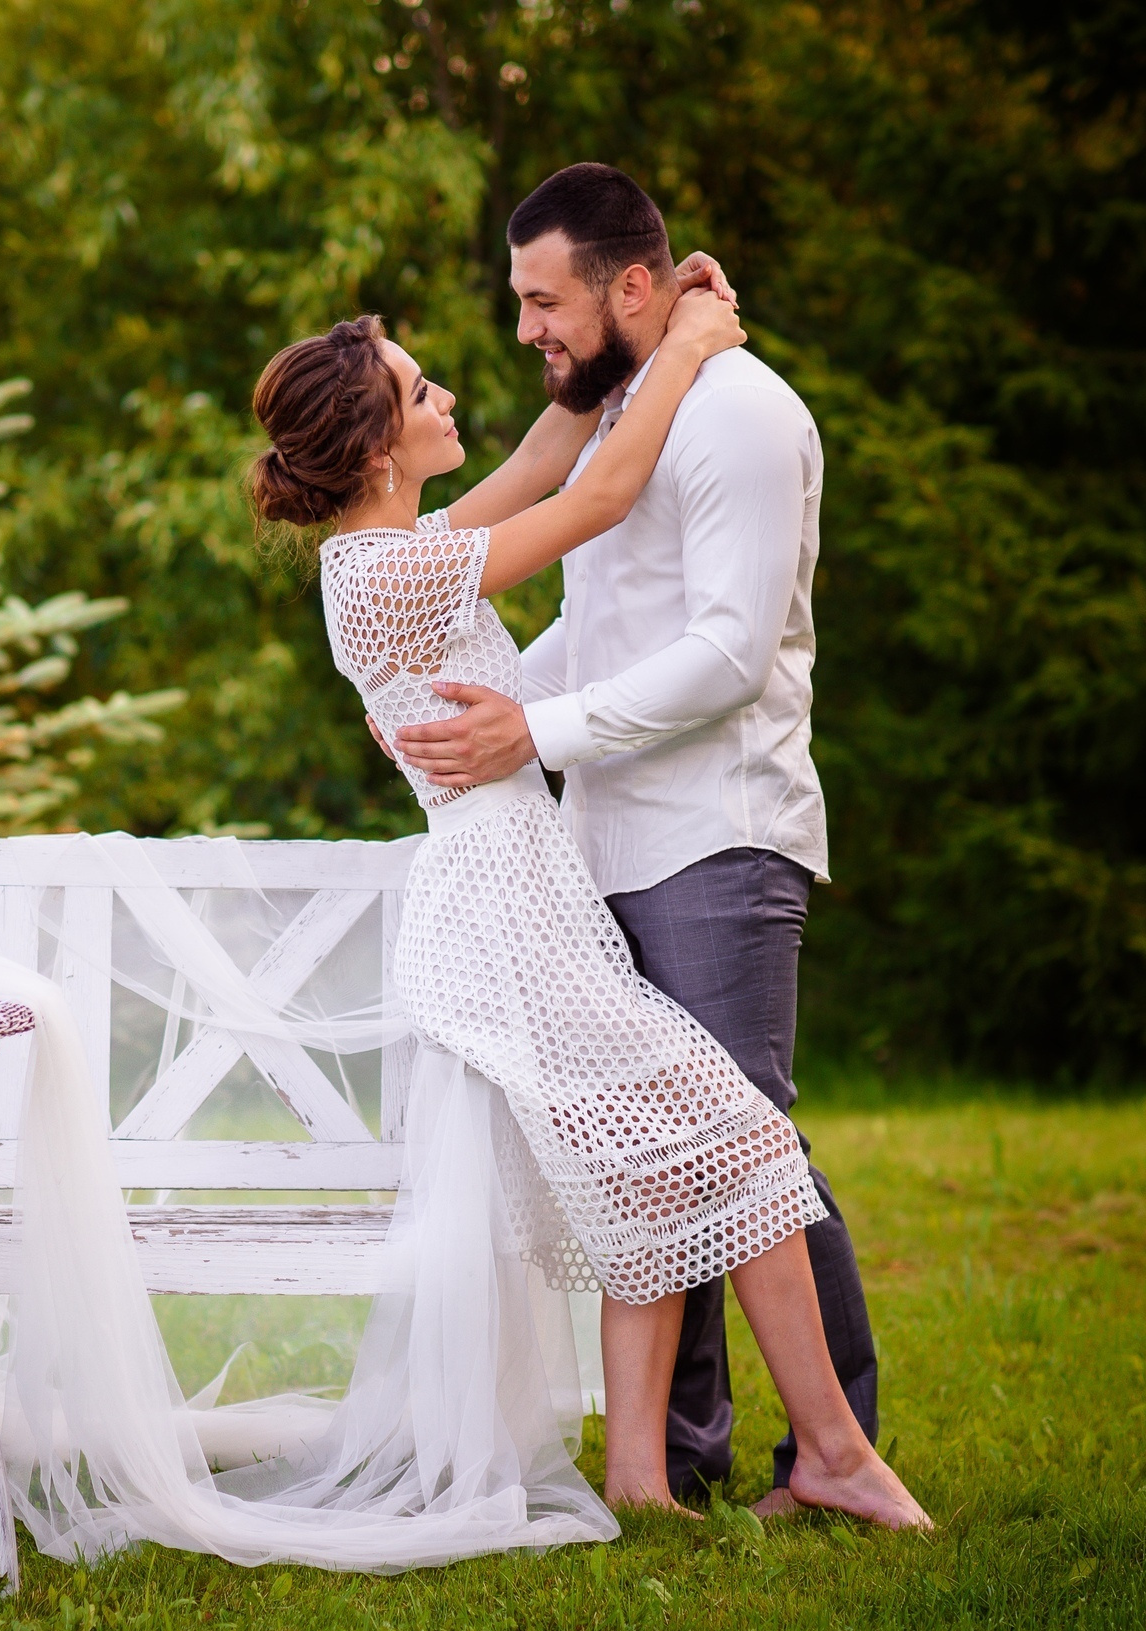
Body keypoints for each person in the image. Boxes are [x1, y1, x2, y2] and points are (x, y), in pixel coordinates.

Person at [250, 281, 926, 1527]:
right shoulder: (384, 575)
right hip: (508, 908)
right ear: (378, 446)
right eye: (419, 389)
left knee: (663, 1172)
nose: (448, 392)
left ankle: (641, 1478)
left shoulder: (405, 548)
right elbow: (596, 497)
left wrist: (640, 338)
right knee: (741, 1144)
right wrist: (688, 346)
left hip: (529, 891)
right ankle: (830, 1449)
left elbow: (553, 448)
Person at [385, 162, 875, 1517]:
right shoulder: (622, 419)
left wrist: (529, 737)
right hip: (606, 839)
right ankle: (691, 1458)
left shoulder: (739, 417)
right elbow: (608, 626)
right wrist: (510, 707)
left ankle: (837, 1453)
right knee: (672, 1158)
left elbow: (723, 653)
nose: (528, 328)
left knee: (747, 1146)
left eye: (546, 301)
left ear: (635, 286)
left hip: (719, 834)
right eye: (520, 302)